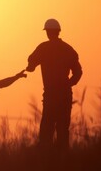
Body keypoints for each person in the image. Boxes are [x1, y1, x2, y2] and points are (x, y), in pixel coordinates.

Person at [26, 18, 82, 154]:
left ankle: (46, 159)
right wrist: (69, 84)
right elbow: (78, 72)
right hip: (65, 94)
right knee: (63, 128)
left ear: (48, 32)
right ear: (58, 31)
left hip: (51, 95)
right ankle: (62, 159)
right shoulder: (68, 49)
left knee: (46, 128)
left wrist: (30, 67)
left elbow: (31, 61)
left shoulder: (43, 48)